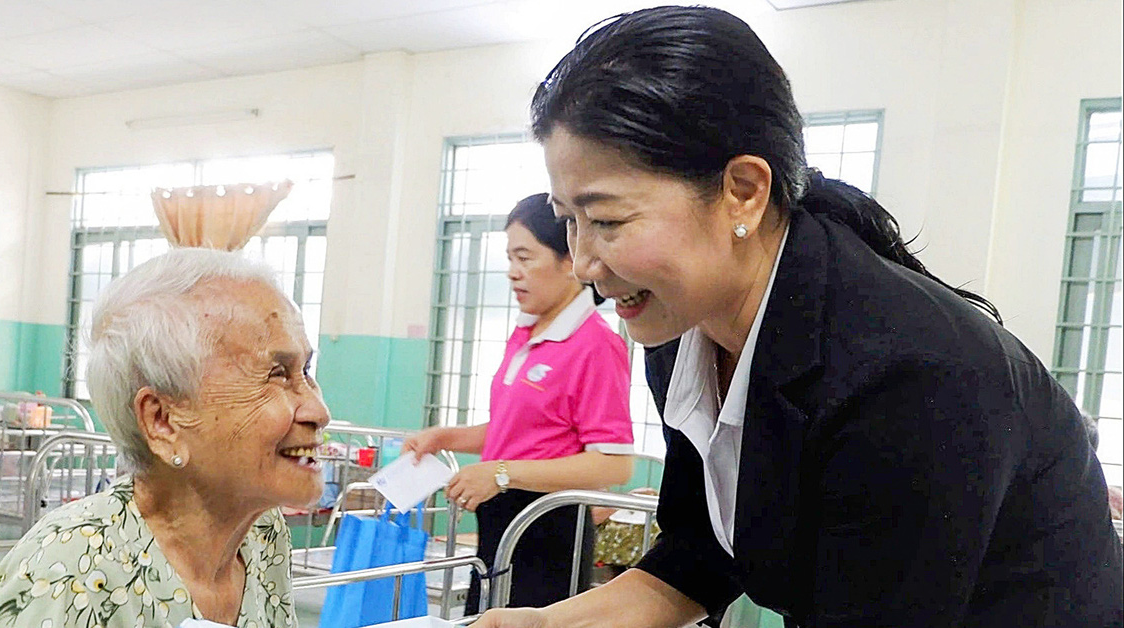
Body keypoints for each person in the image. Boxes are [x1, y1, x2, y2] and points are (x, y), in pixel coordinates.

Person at [474, 6, 1122, 628]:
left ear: (744, 191)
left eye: (608, 220)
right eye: (569, 221)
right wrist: (550, 620)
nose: (585, 262)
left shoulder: (907, 374)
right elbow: (702, 551)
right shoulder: (681, 325)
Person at [0, 248, 330, 627]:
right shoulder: (66, 576)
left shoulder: (263, 534)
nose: (318, 410)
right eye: (277, 374)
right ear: (163, 421)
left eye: (305, 369)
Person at [403, 193, 635, 615]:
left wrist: (503, 474)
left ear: (570, 259)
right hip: (498, 524)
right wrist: (445, 437)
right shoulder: (526, 334)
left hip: (548, 529)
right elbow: (520, 430)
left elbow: (613, 464)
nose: (513, 274)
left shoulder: (596, 345)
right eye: (510, 259)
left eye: (525, 258)